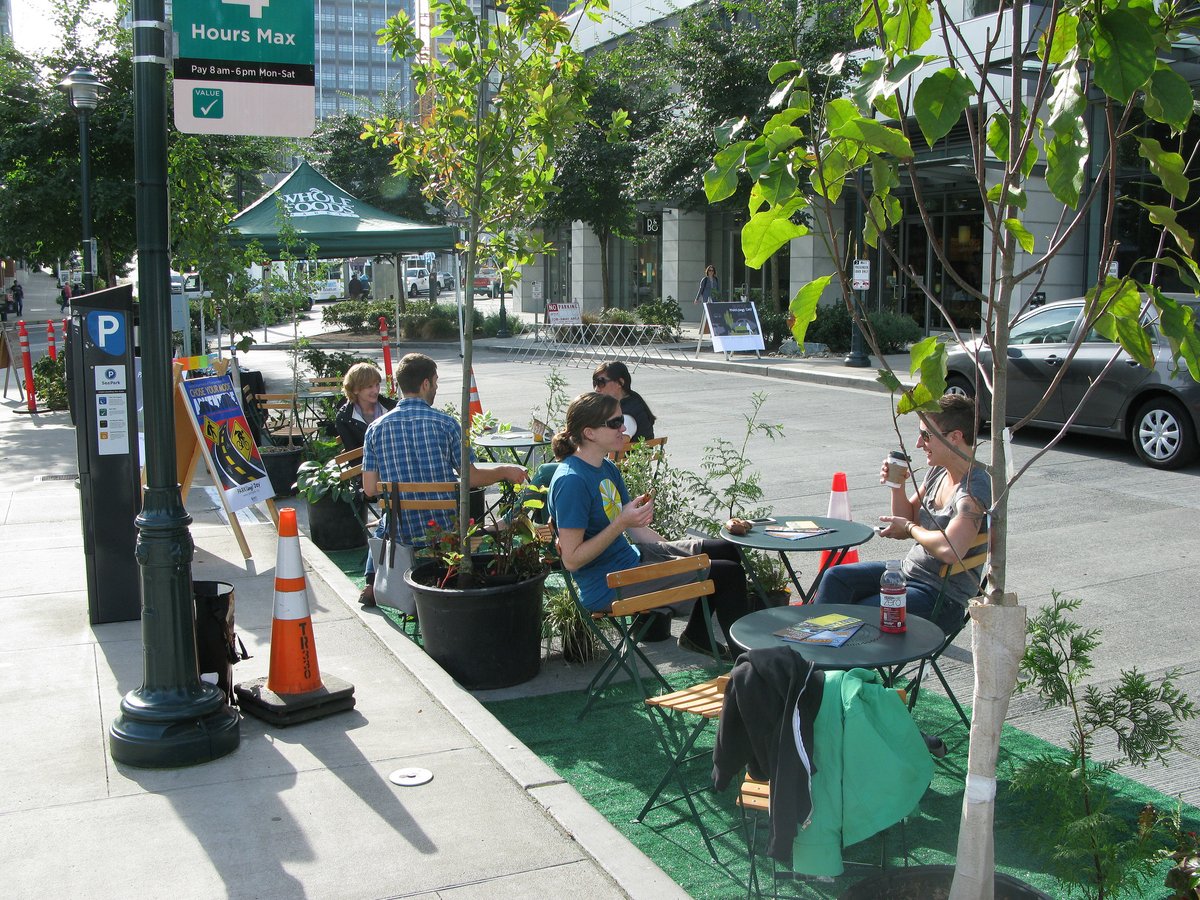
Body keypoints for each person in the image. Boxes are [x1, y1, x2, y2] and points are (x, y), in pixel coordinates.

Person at [547, 392, 750, 659]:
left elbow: (638, 531)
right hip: (607, 583)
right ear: (590, 433)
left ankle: (698, 636)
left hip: (632, 561)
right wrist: (622, 523)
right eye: (614, 422)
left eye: (622, 419)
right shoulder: (571, 481)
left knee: (727, 550)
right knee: (728, 574)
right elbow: (572, 560)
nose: (623, 427)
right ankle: (750, 665)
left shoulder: (606, 467)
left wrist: (679, 556)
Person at [811, 393, 990, 633]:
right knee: (835, 577)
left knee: (862, 611)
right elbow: (910, 517)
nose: (918, 443)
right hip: (908, 574)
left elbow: (950, 549)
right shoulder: (939, 471)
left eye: (926, 435)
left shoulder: (973, 489)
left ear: (955, 437)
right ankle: (816, 657)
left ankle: (826, 659)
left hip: (941, 599)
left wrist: (909, 529)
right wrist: (898, 486)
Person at [358, 353, 527, 606]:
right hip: (443, 532)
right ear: (425, 383)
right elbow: (472, 478)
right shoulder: (447, 424)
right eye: (435, 382)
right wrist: (504, 470)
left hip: (402, 532)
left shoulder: (375, 428)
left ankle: (372, 583)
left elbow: (370, 489)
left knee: (386, 520)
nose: (436, 387)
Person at [334, 362, 396, 453]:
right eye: (369, 386)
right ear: (355, 389)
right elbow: (353, 457)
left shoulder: (393, 408)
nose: (375, 390)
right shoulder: (344, 418)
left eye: (377, 384)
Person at [592, 361, 656, 440]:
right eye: (595, 383)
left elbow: (617, 446)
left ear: (620, 383)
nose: (596, 389)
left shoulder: (627, 416)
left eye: (601, 382)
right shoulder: (632, 399)